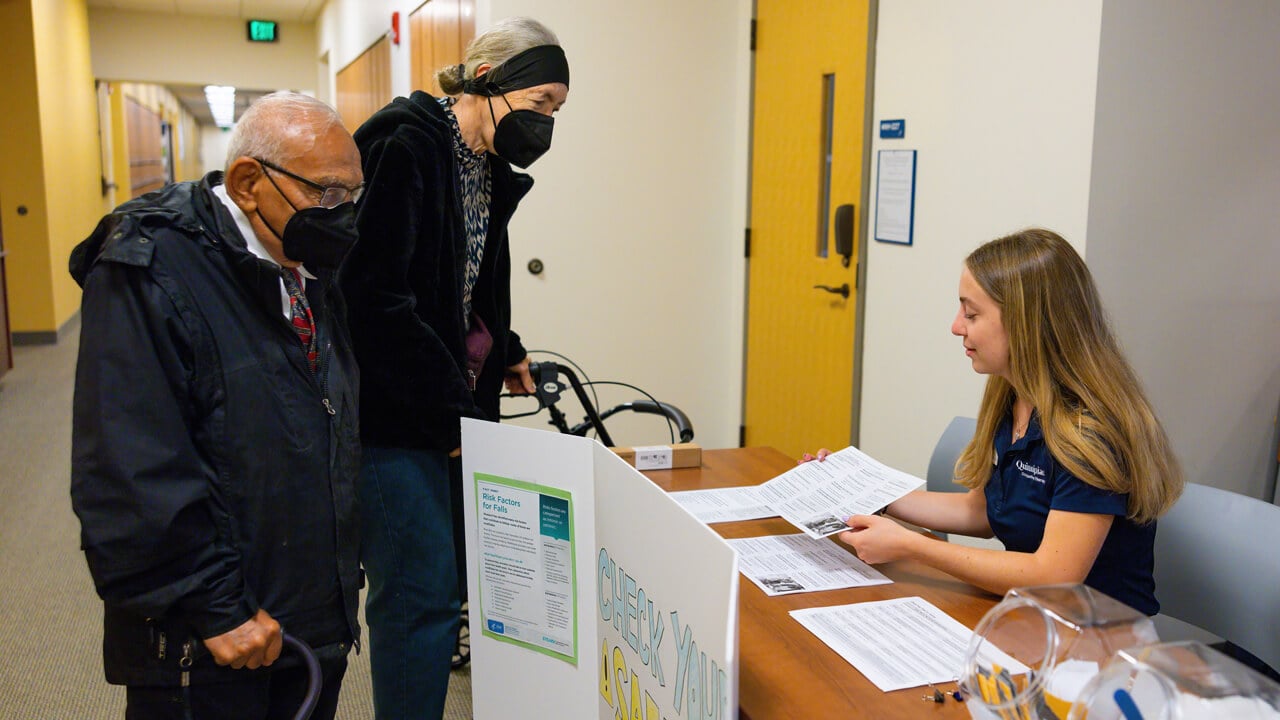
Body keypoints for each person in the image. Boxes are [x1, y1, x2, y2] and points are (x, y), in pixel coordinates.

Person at [69, 92, 365, 720]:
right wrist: (215, 607)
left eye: (353, 198)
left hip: (304, 614)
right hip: (211, 639)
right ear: (249, 183)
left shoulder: (303, 258)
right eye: (329, 195)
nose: (345, 216)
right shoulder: (148, 268)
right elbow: (128, 470)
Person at [337, 16, 570, 720]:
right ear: (485, 81)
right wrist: (452, 414)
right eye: (539, 106)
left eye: (557, 112)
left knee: (451, 579)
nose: (546, 126)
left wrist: (510, 346)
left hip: (443, 408)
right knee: (418, 593)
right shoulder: (404, 141)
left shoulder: (486, 165)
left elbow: (460, 280)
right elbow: (372, 296)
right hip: (390, 414)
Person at [807, 228, 1183, 615]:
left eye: (971, 313)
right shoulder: (1014, 396)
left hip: (1101, 641)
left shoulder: (1090, 434)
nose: (956, 326)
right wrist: (863, 493)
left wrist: (912, 545)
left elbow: (1052, 574)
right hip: (1036, 616)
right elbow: (985, 511)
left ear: (1026, 324)